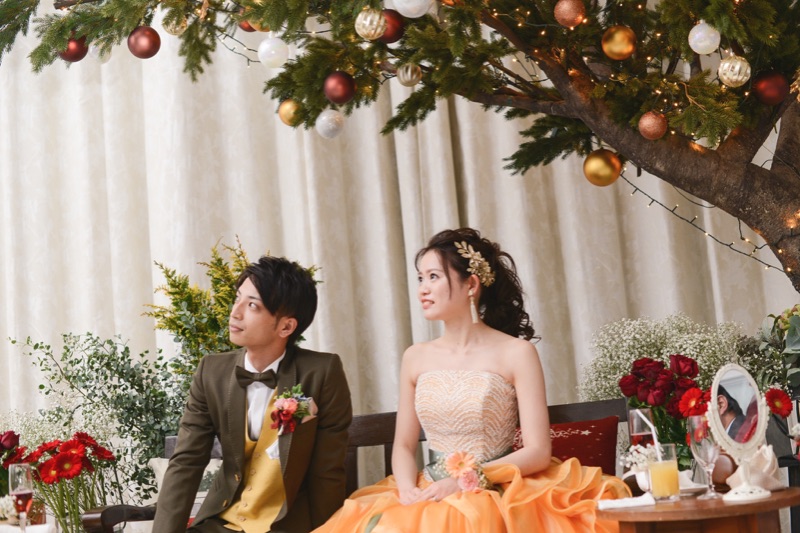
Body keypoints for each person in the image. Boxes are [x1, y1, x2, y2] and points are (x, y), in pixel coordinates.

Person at [315, 228, 628, 533]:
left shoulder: (517, 353)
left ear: (471, 284)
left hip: (497, 490)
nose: (423, 289)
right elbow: (404, 446)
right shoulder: (415, 357)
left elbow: (537, 451)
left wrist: (466, 480)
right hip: (428, 490)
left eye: (434, 277)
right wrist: (408, 490)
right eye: (420, 278)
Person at [153, 256, 353, 533]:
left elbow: (326, 472)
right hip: (221, 523)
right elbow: (187, 461)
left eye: (252, 306)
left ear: (286, 327)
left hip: (287, 524)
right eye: (237, 299)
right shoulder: (211, 372)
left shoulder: (322, 373)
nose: (235, 312)